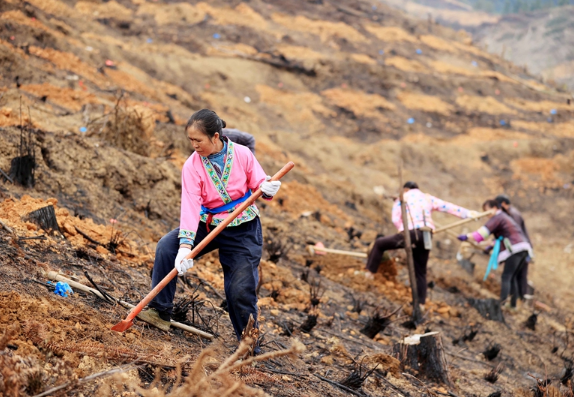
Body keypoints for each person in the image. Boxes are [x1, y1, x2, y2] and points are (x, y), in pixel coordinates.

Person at [140, 109, 281, 352]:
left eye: (199, 141)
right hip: (208, 223)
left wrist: (267, 187)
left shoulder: (243, 154)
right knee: (166, 246)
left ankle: (249, 346)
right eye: (190, 141)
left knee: (240, 289)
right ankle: (160, 311)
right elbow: (191, 205)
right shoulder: (192, 166)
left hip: (243, 227)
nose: (194, 146)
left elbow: (259, 184)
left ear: (215, 137)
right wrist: (185, 246)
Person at [365, 181, 477, 306]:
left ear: (405, 189)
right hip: (427, 235)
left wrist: (401, 229)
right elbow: (447, 206)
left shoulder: (402, 197)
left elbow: (395, 218)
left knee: (380, 244)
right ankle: (420, 304)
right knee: (420, 270)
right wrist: (468, 213)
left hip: (410, 233)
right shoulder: (427, 197)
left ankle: (369, 275)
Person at [458, 199, 532, 308]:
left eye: (486, 210)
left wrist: (467, 236)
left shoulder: (498, 217)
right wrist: (490, 245)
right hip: (523, 247)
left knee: (507, 276)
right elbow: (502, 236)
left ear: (493, 208)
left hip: (515, 248)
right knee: (513, 276)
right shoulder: (504, 217)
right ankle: (513, 306)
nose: (486, 214)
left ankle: (502, 304)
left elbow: (482, 233)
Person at [495, 194, 533, 298]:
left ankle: (517, 300)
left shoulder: (511, 214)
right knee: (515, 275)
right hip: (524, 246)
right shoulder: (513, 213)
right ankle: (517, 302)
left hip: (518, 247)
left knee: (513, 276)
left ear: (502, 204)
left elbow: (511, 234)